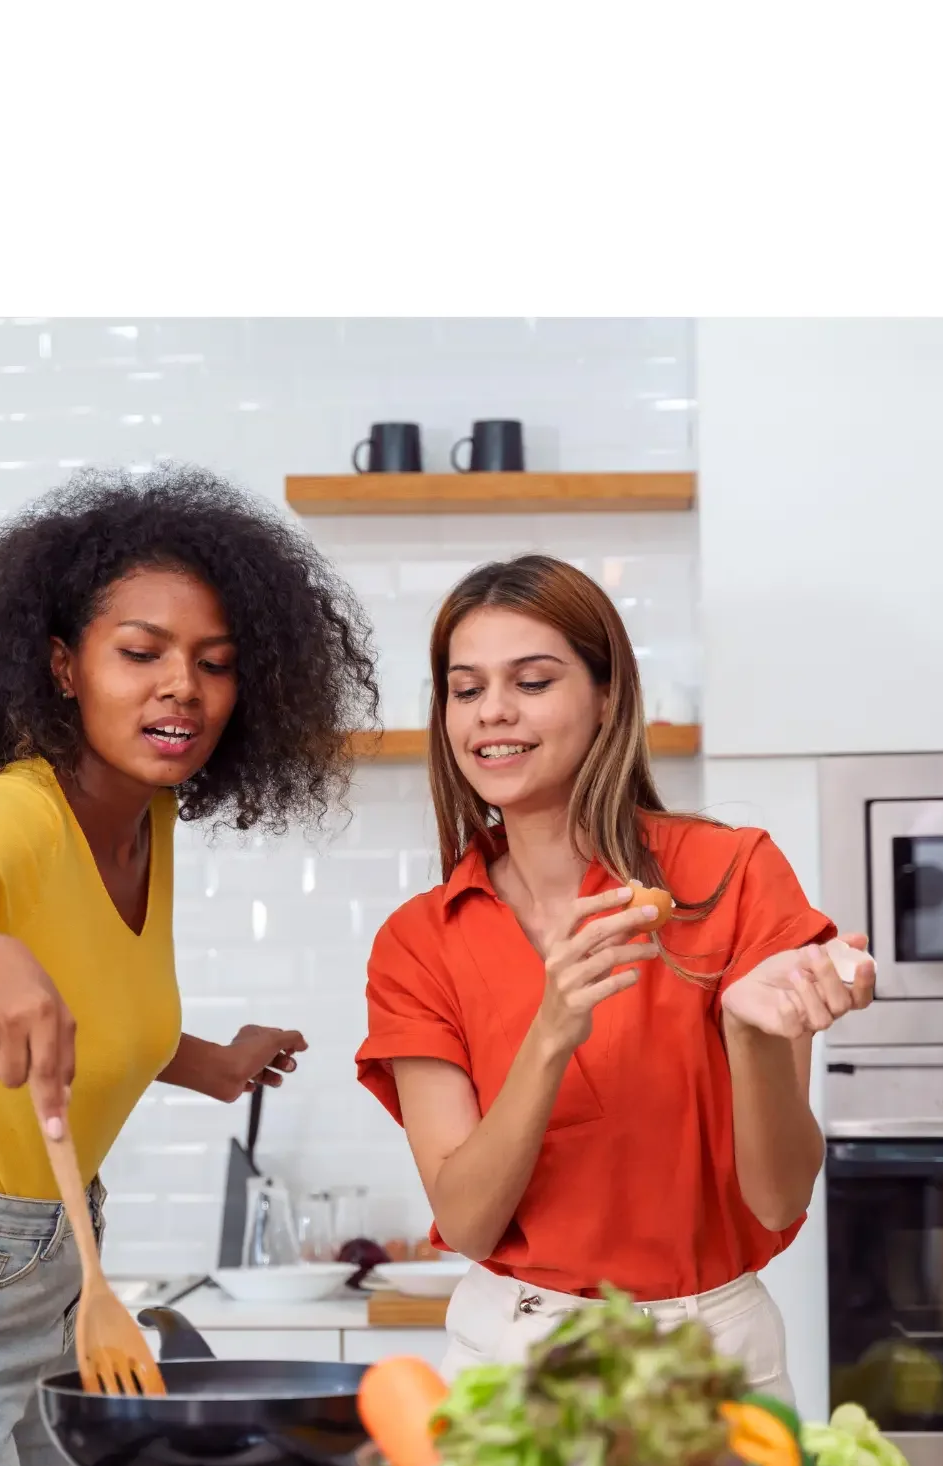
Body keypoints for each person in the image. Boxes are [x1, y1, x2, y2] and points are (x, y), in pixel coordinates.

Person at [0, 466, 376, 1466]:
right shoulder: (14, 809)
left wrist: (205, 1063)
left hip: (53, 1271)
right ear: (63, 667)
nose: (182, 688)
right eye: (140, 653)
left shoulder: (144, 819)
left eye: (214, 662)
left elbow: (85, 1019)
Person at [355, 554, 873, 1396]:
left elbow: (777, 1201)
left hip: (714, 1358)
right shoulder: (420, 941)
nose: (493, 713)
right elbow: (466, 1219)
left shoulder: (730, 875)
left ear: (606, 698)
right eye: (465, 687)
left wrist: (748, 1035)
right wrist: (551, 1033)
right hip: (519, 1359)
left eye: (532, 681)